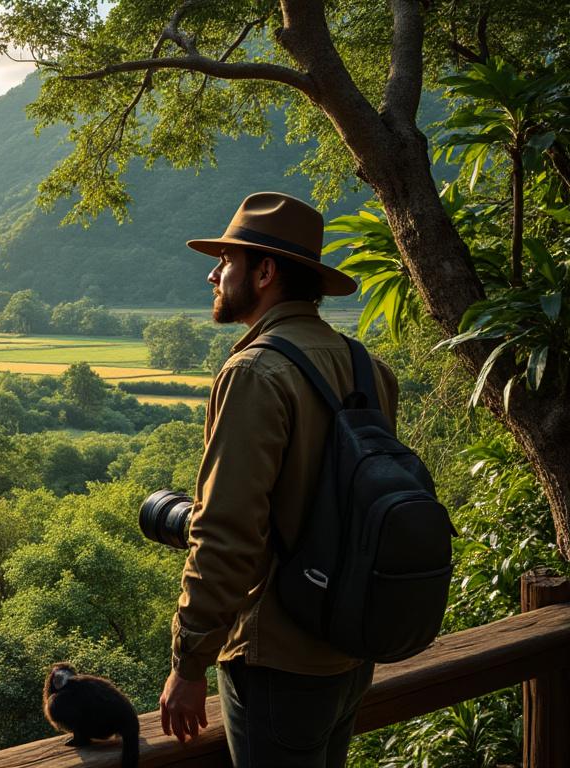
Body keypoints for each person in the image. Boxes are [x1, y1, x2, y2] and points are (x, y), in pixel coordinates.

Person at [157, 192, 399, 767]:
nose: (213, 275)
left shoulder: (255, 372)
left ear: (265, 273)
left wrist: (189, 662)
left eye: (226, 261)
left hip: (278, 660)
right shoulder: (367, 367)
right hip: (349, 647)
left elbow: (228, 532)